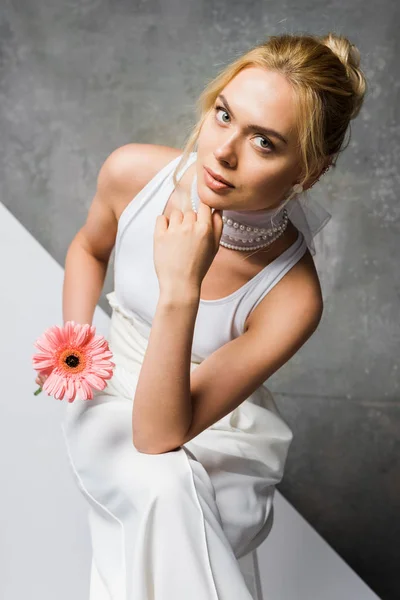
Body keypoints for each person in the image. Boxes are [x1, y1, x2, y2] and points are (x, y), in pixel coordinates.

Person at [41, 32, 367, 599]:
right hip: (113, 387)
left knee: (172, 500)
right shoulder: (132, 173)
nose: (222, 151)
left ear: (309, 172)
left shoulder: (294, 297)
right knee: (163, 487)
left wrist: (181, 287)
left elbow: (162, 432)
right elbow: (88, 249)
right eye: (223, 115)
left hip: (219, 429)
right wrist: (77, 344)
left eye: (264, 142)